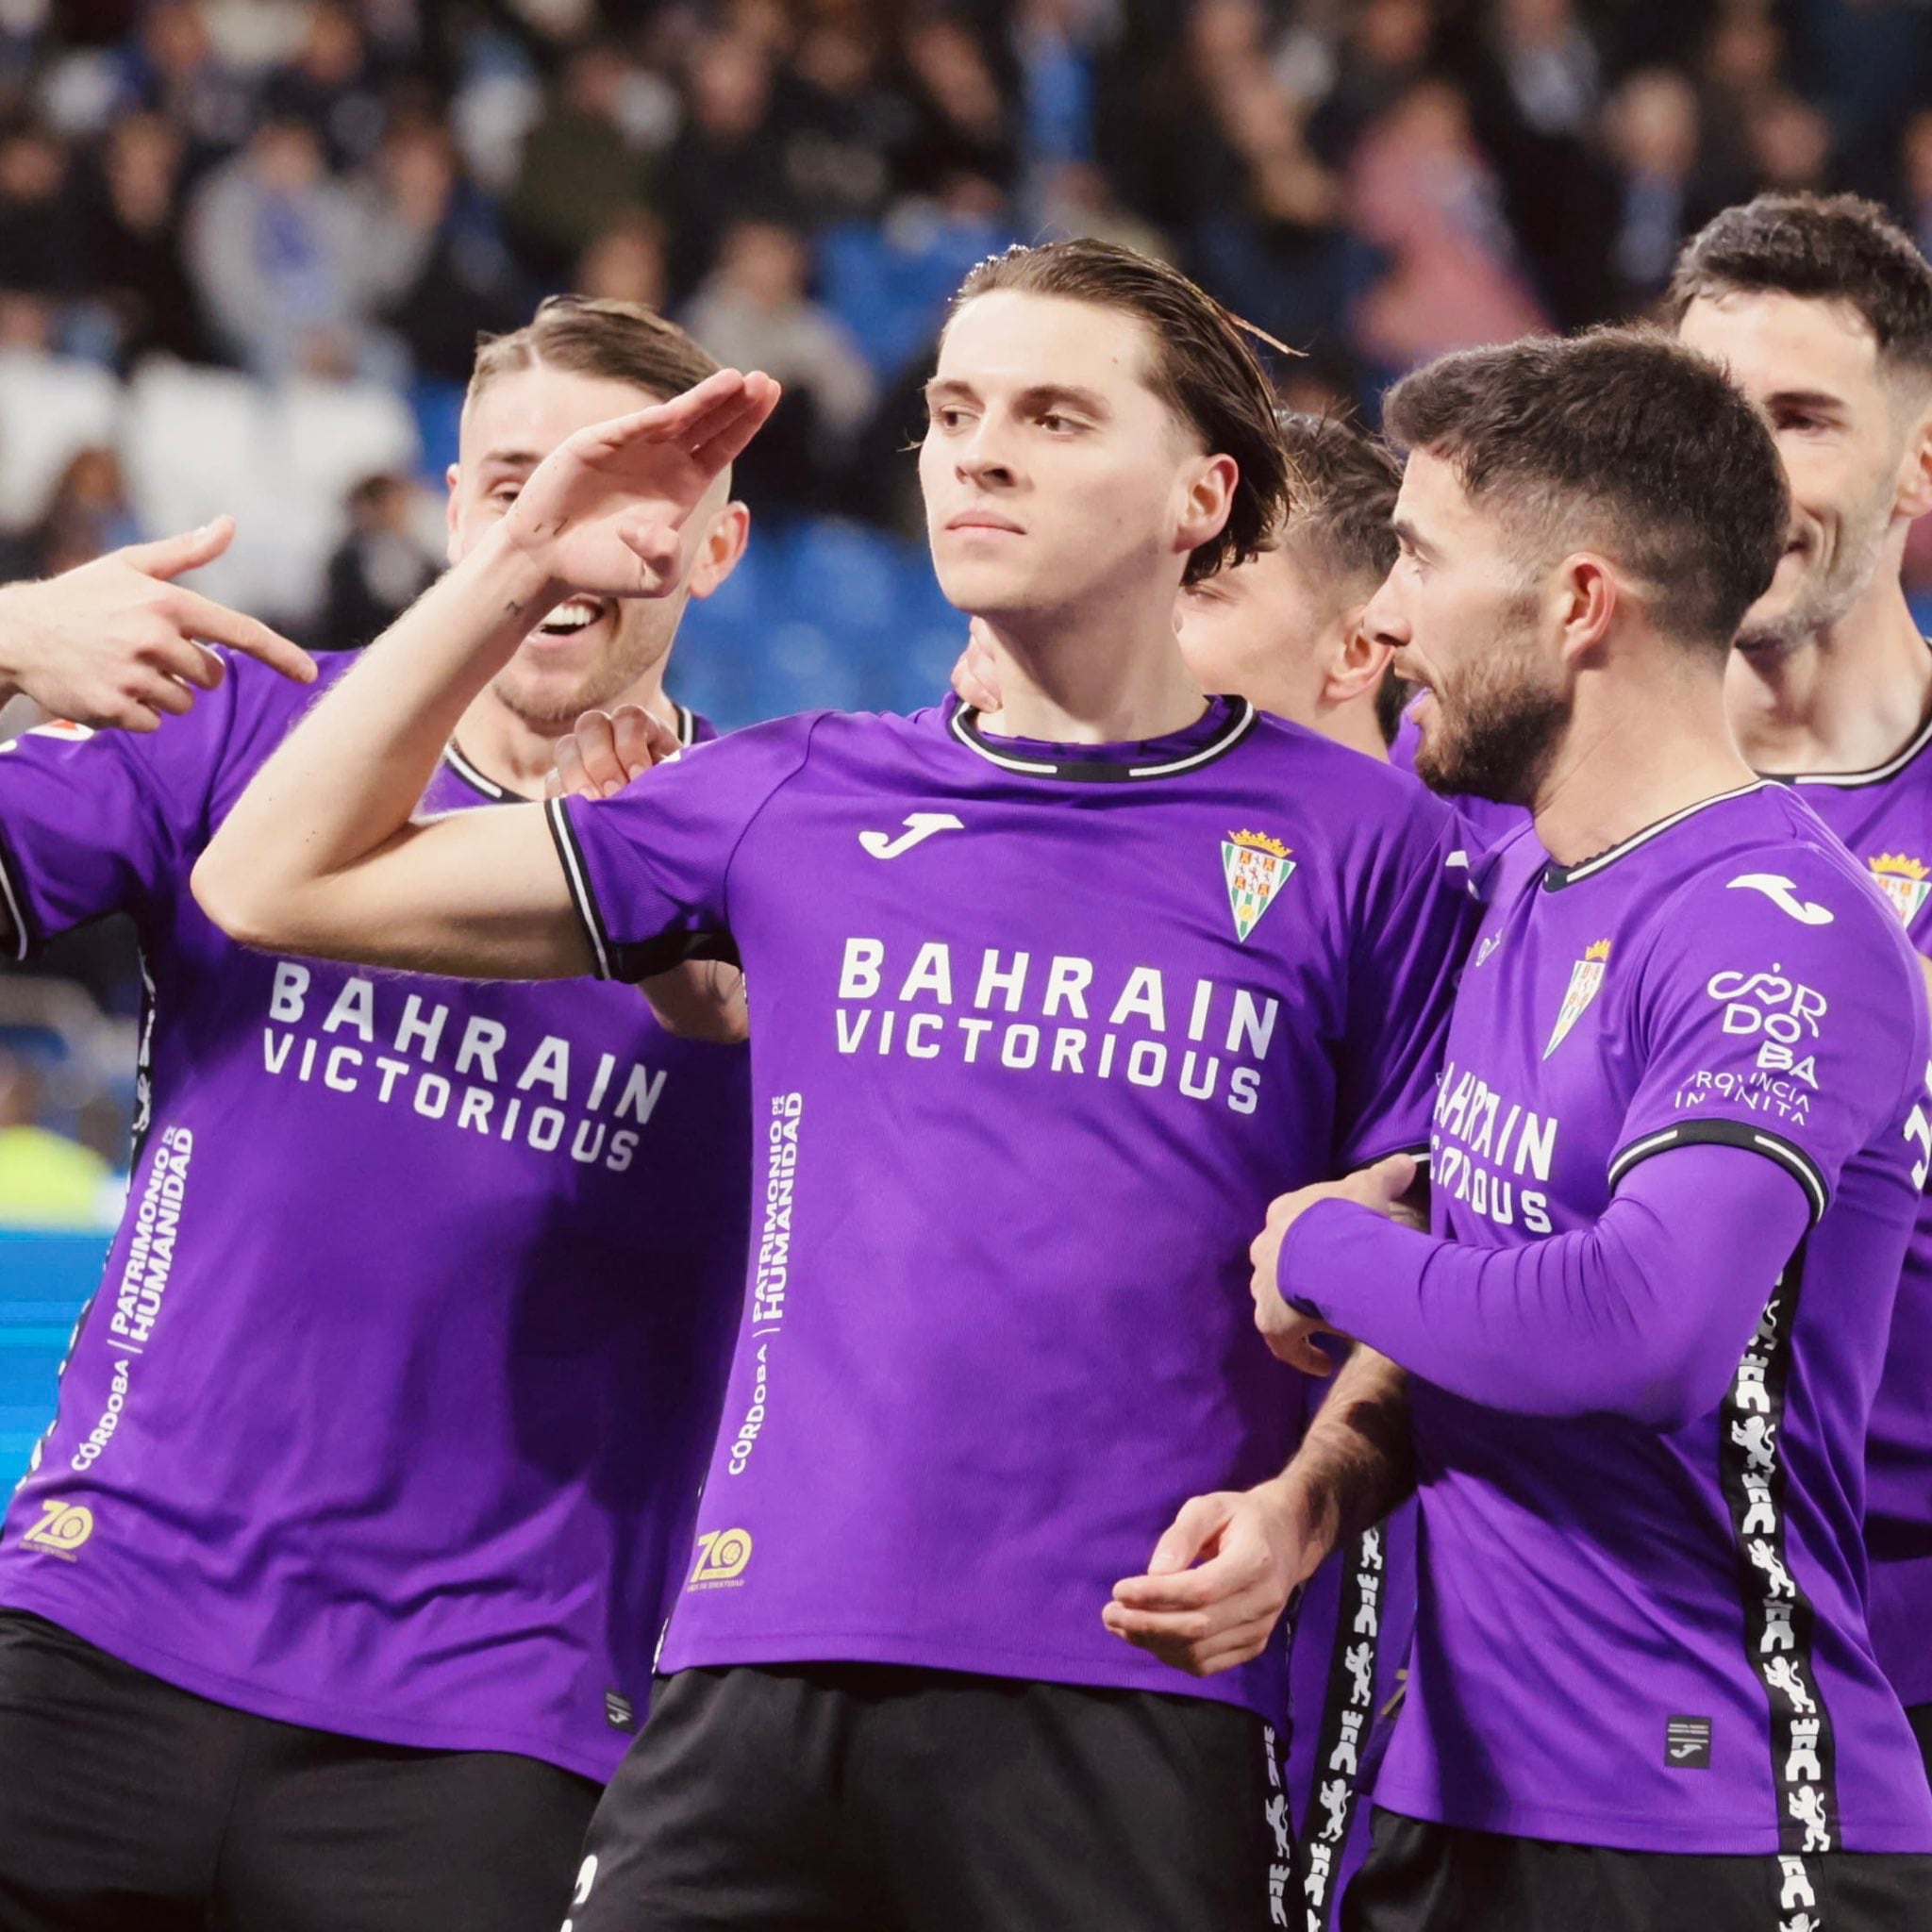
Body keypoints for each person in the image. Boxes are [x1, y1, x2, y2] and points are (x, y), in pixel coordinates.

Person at [195, 239, 1475, 1932]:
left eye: (1053, 415)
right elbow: (272, 885)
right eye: (953, 412)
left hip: (1133, 1688)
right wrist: (518, 566)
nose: (980, 451)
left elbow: (1427, 1255)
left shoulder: (1369, 848)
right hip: (755, 1667)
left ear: (1199, 495)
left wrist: (1307, 1512)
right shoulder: (793, 796)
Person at [0, 297, 753, 1932]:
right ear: (450, 506)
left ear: (714, 547)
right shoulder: (235, 716)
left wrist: (734, 1015)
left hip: (490, 1725)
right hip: (100, 1616)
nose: (558, 539)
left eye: (622, 500)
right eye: (511, 486)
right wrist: (4, 635)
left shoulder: (783, 854)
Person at [1256, 329, 1932, 1926]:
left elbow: (1641, 1330)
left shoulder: (1779, 925)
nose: (1386, 615)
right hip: (1463, 1792)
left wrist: (1327, 1244)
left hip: (1711, 1812)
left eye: (1419, 557)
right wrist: (1310, 1496)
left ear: (1576, 604)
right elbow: (1495, 1293)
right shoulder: (1522, 882)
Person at [1669, 193, 1932, 1783]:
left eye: (1805, 420)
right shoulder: (1513, 795)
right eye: (1710, 418)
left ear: (1919, 463)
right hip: (1603, 1659)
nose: (1746, 473)